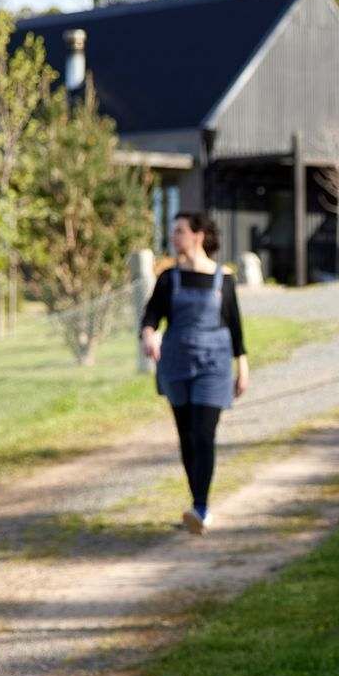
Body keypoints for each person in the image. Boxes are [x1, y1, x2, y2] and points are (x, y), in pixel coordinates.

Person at [140, 212, 248, 533]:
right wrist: (148, 334)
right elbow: (150, 315)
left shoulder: (223, 279)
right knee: (186, 437)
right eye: (173, 232)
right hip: (176, 363)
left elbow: (235, 326)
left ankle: (201, 507)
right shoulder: (167, 278)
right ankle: (197, 503)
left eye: (179, 232)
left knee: (204, 433)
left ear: (198, 236)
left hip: (214, 364)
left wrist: (242, 366)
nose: (174, 238)